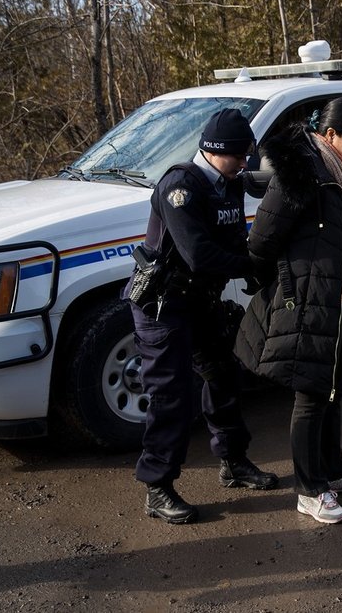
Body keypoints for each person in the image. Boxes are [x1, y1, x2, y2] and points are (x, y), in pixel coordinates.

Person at [234, 95, 342, 524]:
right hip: (309, 301)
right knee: (312, 395)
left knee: (334, 390)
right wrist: (289, 284)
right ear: (330, 134)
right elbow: (262, 239)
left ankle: (333, 470)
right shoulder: (302, 174)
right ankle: (309, 488)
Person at [125, 107, 278, 525]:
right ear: (213, 152)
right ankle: (157, 488)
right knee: (173, 395)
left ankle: (234, 462)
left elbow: (239, 226)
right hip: (163, 307)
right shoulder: (181, 188)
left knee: (224, 375)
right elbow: (199, 254)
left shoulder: (229, 182)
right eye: (238, 156)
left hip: (200, 302)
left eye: (249, 155)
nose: (244, 164)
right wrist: (250, 266)